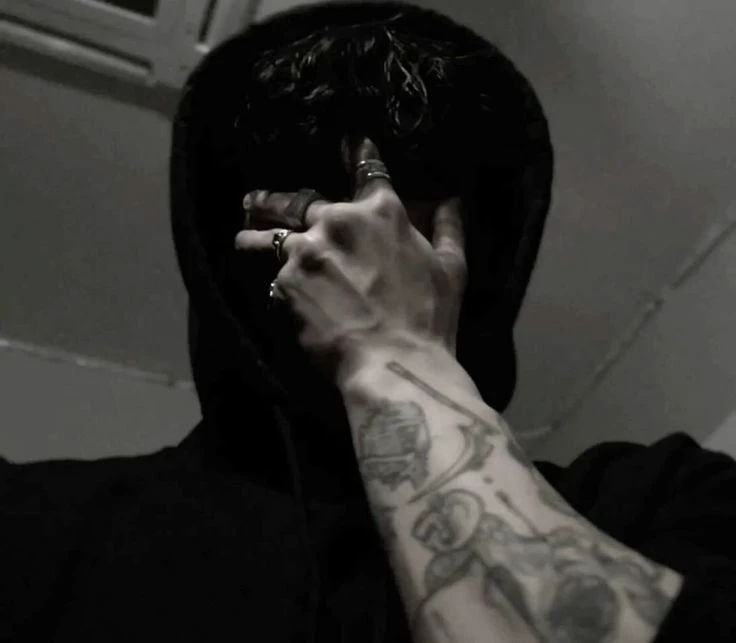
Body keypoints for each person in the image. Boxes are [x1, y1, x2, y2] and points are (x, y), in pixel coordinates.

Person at [2, 1, 735, 641]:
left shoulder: (655, 500)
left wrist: (391, 350)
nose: (367, 275)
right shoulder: (35, 532)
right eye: (317, 245)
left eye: (409, 250)